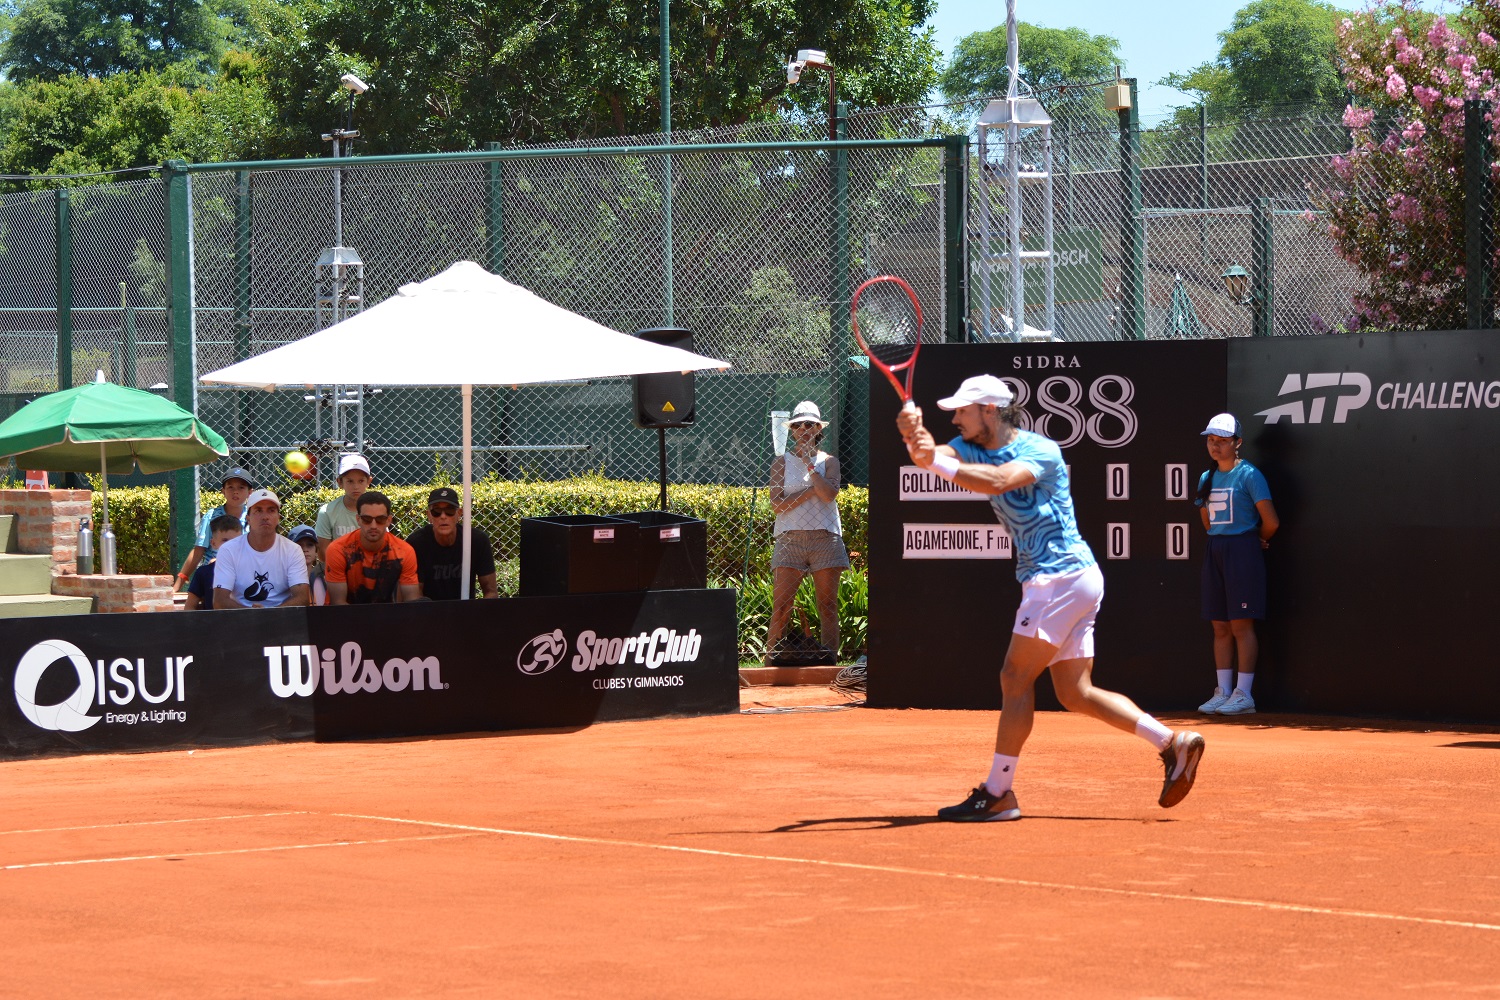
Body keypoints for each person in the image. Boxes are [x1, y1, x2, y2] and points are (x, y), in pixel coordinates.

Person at [897, 374, 1205, 822]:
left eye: (963, 410)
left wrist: (934, 459)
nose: (956, 419)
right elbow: (933, 457)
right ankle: (1172, 742)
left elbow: (999, 481)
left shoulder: (1040, 450)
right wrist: (915, 439)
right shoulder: (970, 446)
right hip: (1070, 579)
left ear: (989, 410)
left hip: (1058, 578)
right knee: (1076, 692)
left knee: (1014, 677)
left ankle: (998, 793)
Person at [1194, 413, 1280, 716]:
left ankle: (1244, 695)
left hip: (1243, 551)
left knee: (1241, 625)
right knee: (1219, 625)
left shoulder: (1250, 475)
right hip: (1215, 550)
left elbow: (1271, 522)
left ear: (1237, 442)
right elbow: (1206, 520)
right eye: (1211, 440)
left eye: (1222, 440)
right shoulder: (1206, 478)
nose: (1215, 446)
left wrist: (1254, 540)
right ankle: (1223, 692)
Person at [766, 400, 849, 666]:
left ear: (818, 429)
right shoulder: (780, 463)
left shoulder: (829, 462)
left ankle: (830, 665)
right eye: (798, 425)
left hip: (825, 538)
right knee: (781, 606)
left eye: (810, 424)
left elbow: (828, 495)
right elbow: (777, 505)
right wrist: (811, 490)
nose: (804, 429)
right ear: (792, 431)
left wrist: (809, 465)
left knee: (828, 606)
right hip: (789, 539)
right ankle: (769, 664)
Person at [212, 489, 310, 609]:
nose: (265, 517)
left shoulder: (293, 550)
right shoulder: (228, 550)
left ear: (278, 518)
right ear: (248, 518)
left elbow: (302, 598)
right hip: (240, 617)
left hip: (281, 617)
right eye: (258, 510)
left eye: (271, 510)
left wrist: (268, 615)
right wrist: (252, 614)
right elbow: (220, 601)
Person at [324, 490, 421, 604]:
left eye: (380, 519)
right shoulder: (338, 550)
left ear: (388, 520)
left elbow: (411, 602)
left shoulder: (404, 552)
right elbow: (338, 604)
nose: (373, 526)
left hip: (388, 613)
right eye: (367, 519)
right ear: (358, 519)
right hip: (345, 613)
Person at [405, 487, 498, 600]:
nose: (443, 516)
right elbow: (415, 596)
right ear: (429, 516)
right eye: (436, 511)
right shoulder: (416, 543)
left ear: (459, 514)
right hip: (429, 609)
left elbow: (491, 592)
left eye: (449, 510)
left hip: (466, 609)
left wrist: (478, 610)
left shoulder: (477, 540)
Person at [174, 468, 254, 592]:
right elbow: (198, 551)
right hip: (213, 577)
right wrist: (177, 586)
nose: (235, 492)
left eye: (241, 487)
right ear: (223, 491)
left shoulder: (253, 518)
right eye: (230, 487)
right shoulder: (211, 516)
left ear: (250, 492)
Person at [314, 453, 373, 562]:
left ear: (368, 482)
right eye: (350, 481)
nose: (356, 487)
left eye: (361, 481)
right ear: (340, 482)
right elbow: (323, 553)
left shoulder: (376, 511)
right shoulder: (327, 512)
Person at [184, 514, 242, 610]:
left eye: (235, 541)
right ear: (213, 543)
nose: (231, 545)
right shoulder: (203, 573)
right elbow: (190, 606)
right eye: (225, 540)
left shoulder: (250, 570)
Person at [289, 524, 328, 607]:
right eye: (299, 545)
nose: (305, 549)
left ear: (316, 550)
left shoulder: (325, 578)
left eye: (310, 545)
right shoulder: (283, 581)